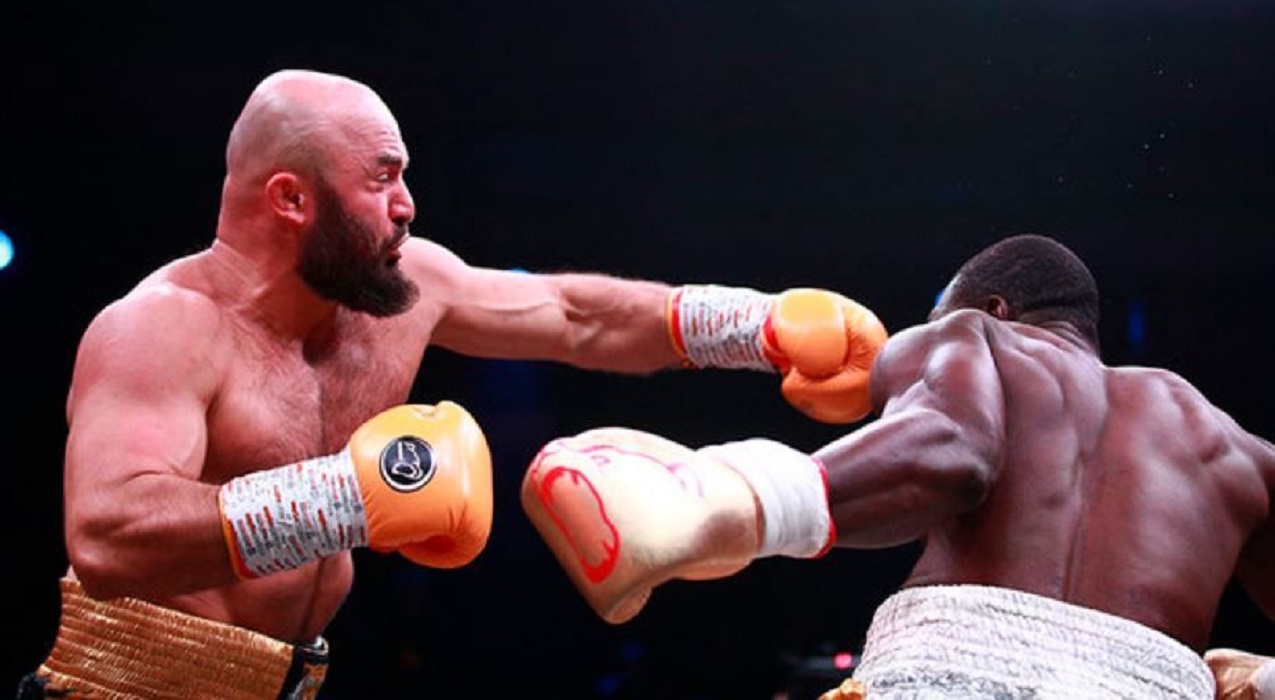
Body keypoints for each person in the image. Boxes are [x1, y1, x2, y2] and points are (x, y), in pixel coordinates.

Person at [19, 68, 889, 699]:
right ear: (290, 199)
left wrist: (755, 325)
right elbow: (107, 535)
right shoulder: (161, 328)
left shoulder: (405, 291)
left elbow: (573, 315)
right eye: (381, 177)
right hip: (121, 687)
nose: (407, 204)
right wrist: (353, 499)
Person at [521, 234, 1275, 699]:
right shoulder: (1238, 451)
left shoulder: (973, 335)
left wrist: (727, 501)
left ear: (992, 307)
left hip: (950, 672)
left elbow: (953, 451)